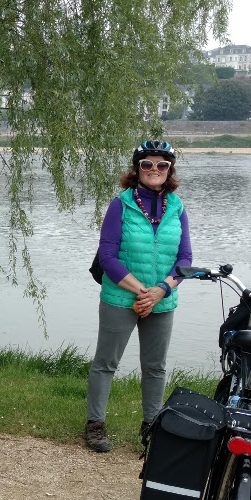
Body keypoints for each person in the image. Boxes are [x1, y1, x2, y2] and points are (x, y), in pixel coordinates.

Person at [84, 140, 193, 452]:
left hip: (162, 299)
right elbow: (107, 257)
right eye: (147, 164)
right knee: (106, 363)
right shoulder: (121, 205)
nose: (154, 169)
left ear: (169, 170)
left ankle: (152, 426)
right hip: (121, 297)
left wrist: (162, 290)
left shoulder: (177, 208)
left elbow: (185, 258)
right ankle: (95, 425)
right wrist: (142, 291)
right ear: (137, 169)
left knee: (155, 367)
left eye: (162, 165)